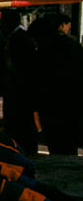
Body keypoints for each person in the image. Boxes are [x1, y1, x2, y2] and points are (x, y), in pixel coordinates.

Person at [35, 12, 83, 155]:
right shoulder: (72, 44)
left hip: (50, 100)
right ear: (61, 26)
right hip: (70, 99)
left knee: (54, 141)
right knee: (69, 140)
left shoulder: (43, 46)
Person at [0, 9, 38, 156]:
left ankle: (23, 148)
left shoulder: (19, 38)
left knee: (21, 120)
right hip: (16, 86)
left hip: (20, 87)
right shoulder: (15, 36)